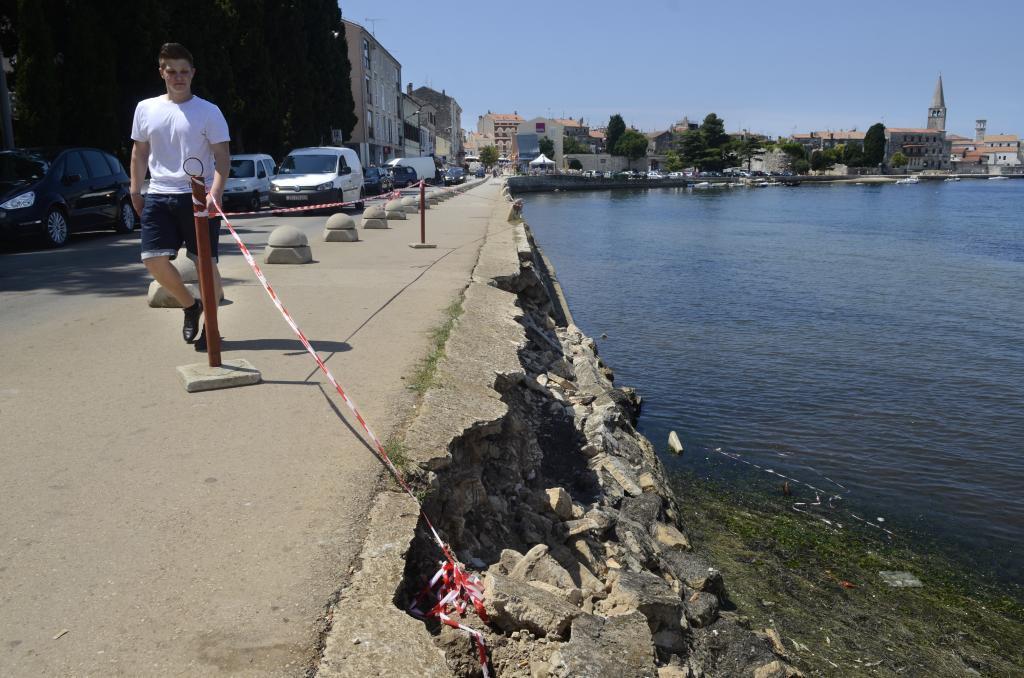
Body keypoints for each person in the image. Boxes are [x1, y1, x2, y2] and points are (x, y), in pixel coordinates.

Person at [130, 42, 230, 345]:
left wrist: (215, 193)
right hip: (159, 193)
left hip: (198, 197)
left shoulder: (208, 111)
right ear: (161, 72)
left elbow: (223, 157)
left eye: (184, 71)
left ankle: (211, 330)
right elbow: (139, 152)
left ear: (193, 73)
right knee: (152, 259)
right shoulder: (146, 108)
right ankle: (191, 306)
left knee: (204, 264)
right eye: (171, 71)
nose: (178, 77)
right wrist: (135, 189)